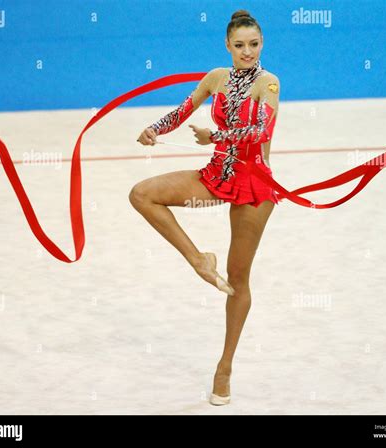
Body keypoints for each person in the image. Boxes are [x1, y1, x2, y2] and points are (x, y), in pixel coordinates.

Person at [132, 9, 278, 406]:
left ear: (261, 44)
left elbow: (259, 131)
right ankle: (198, 259)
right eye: (239, 45)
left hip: (254, 183)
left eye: (254, 44)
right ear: (227, 46)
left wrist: (216, 133)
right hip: (217, 173)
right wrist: (155, 129)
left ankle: (224, 367)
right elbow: (184, 109)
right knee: (142, 193)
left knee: (237, 277)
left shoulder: (269, 84)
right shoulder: (217, 77)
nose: (247, 52)